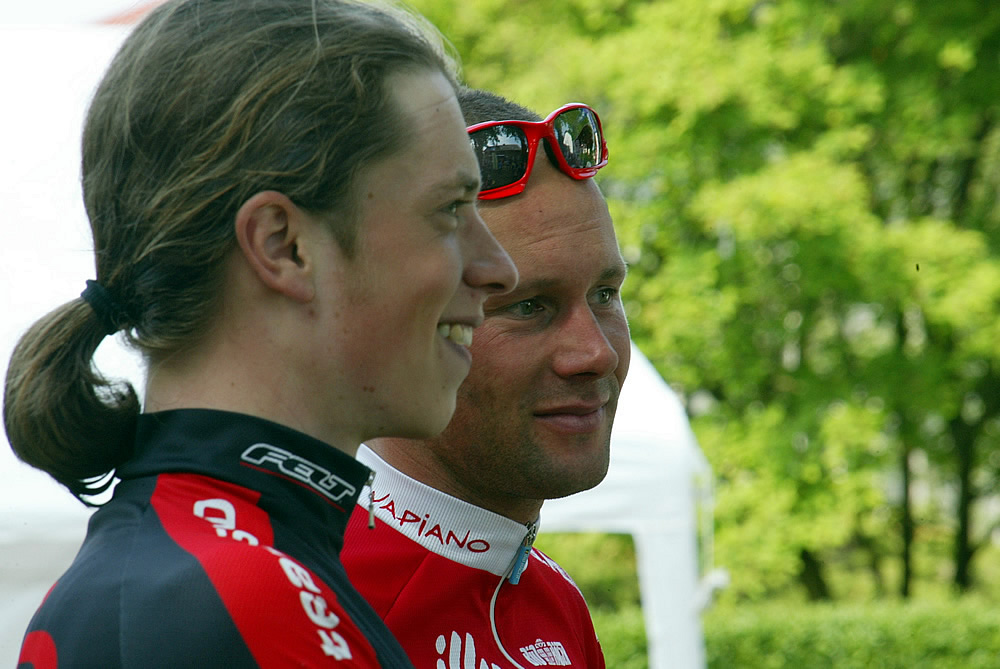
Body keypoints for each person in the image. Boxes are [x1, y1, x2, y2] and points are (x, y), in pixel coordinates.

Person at [4, 2, 517, 666]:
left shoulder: (215, 572)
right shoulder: (227, 600)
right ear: (283, 246)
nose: (498, 268)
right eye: (449, 210)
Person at [342, 89, 630, 669]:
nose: (595, 353)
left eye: (604, 294)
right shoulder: (310, 598)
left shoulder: (558, 604)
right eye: (529, 305)